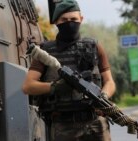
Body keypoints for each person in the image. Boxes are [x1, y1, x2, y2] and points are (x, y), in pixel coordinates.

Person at [22, 0, 116, 141]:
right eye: (64, 20)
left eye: (74, 19)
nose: (70, 23)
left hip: (95, 123)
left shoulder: (94, 47)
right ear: (56, 21)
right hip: (63, 126)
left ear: (81, 19)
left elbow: (109, 82)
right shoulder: (45, 51)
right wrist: (54, 87)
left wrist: (103, 96)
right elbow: (28, 86)